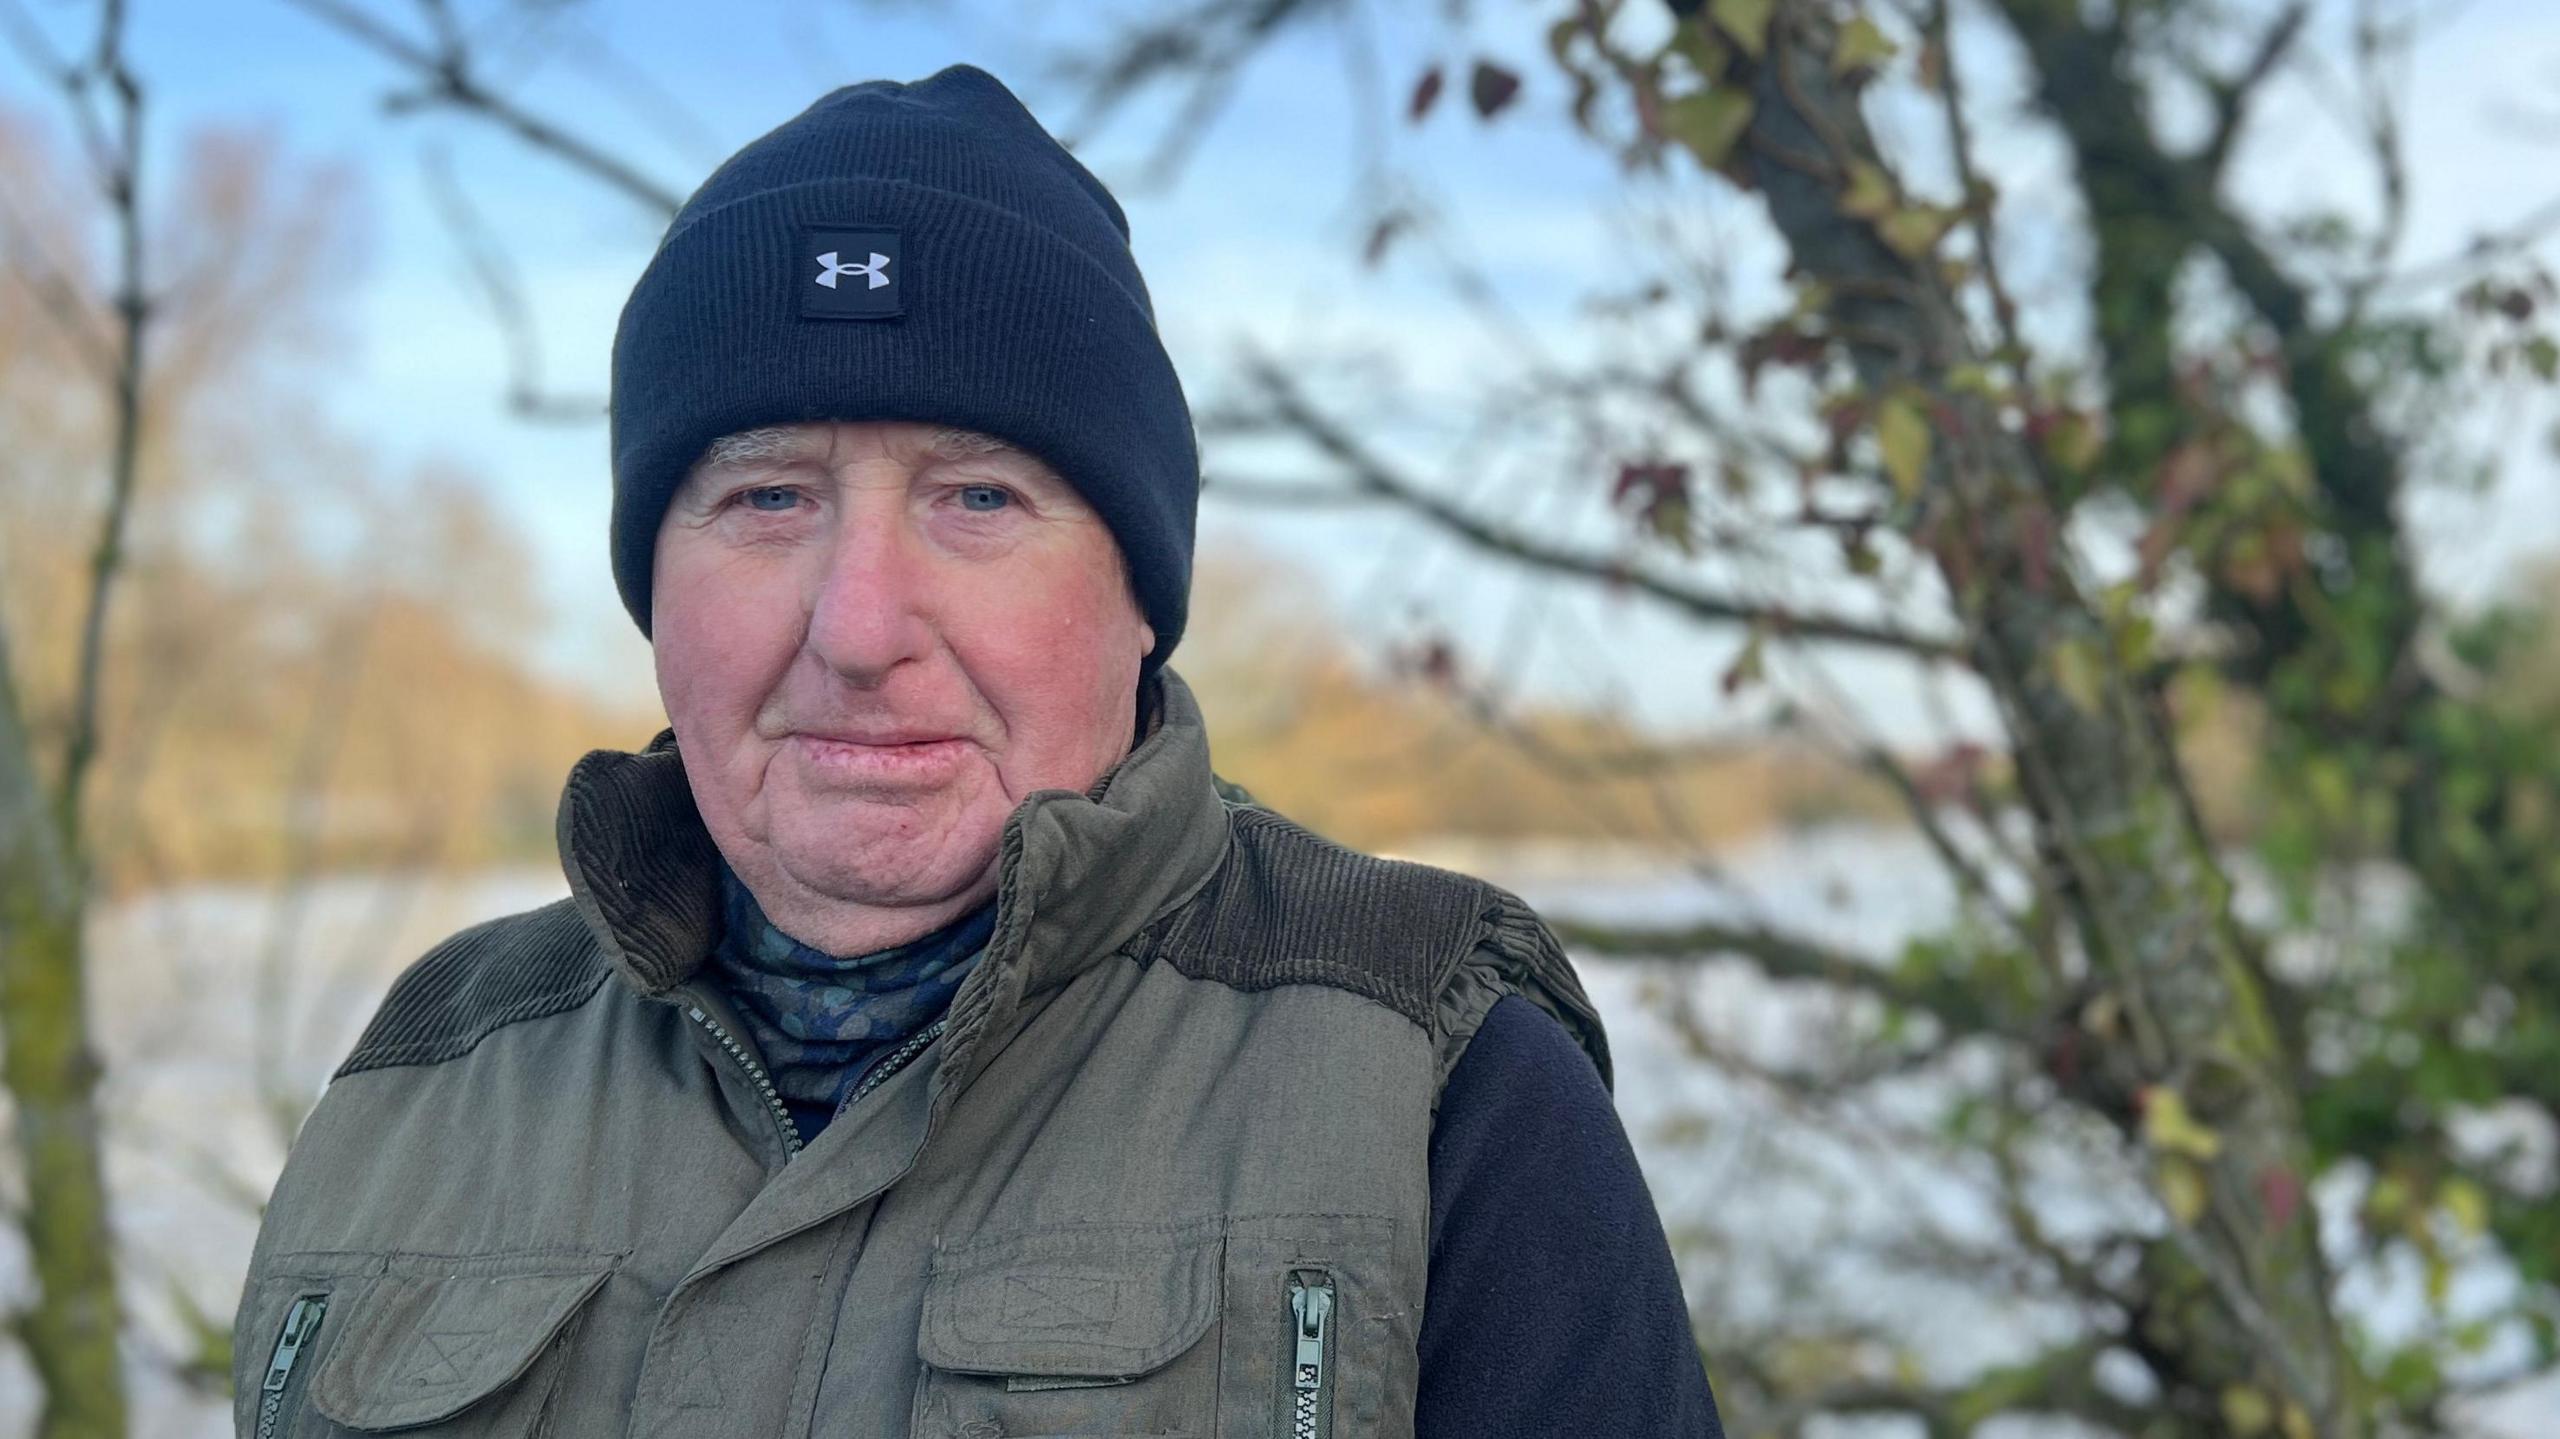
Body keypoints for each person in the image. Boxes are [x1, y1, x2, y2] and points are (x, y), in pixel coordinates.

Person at [230, 63, 1723, 1439]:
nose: (860, 626)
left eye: (979, 499)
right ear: (653, 588)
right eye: (766, 499)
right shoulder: (429, 1064)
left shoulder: (1436, 1080)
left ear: (1142, 595)